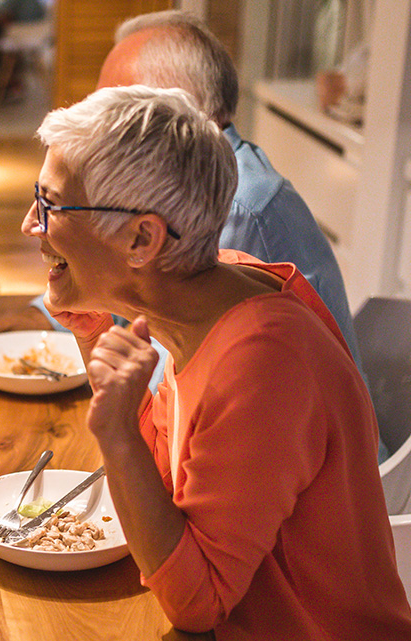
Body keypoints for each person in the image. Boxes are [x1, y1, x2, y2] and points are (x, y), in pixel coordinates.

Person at [28, 84, 411, 639]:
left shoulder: (263, 362)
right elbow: (167, 479)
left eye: (50, 205)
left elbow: (198, 600)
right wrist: (95, 343)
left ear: (142, 238)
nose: (30, 226)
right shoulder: (215, 293)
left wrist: (115, 433)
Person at [0, 10, 361, 366]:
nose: (96, 121)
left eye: (116, 106)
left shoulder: (233, 206)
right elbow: (119, 288)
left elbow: (168, 373)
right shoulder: (193, 185)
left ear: (174, 117)